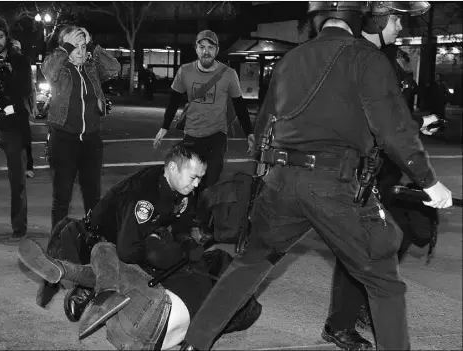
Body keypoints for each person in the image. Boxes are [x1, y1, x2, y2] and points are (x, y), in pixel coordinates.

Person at [179, 2, 453, 351]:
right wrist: (429, 181)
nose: (398, 24)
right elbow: (393, 130)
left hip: (280, 182)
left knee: (249, 264)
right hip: (331, 184)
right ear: (363, 17)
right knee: (385, 282)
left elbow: (264, 127)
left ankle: (194, 344)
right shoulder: (366, 58)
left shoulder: (289, 60)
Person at [18, 145, 261, 349]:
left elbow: (181, 228)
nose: (197, 184)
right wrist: (156, 250)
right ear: (173, 168)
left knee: (143, 262)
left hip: (125, 242)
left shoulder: (183, 190)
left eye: (200, 178)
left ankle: (85, 282)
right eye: (193, 177)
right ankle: (83, 284)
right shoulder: (144, 196)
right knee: (108, 255)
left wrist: (186, 244)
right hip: (94, 240)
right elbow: (127, 250)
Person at [322, 3, 442, 349]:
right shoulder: (358, 57)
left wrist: (416, 124)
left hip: (383, 169)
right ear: (377, 20)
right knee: (359, 246)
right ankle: (338, 323)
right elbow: (368, 118)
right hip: (354, 170)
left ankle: (360, 303)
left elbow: (391, 114)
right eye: (397, 18)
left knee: (397, 235)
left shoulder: (382, 57)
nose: (402, 26)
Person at [153, 29, 255, 190]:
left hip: (217, 136)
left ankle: (204, 213)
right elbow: (174, 100)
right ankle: (192, 211)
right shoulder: (184, 71)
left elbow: (239, 105)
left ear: (217, 50)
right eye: (202, 47)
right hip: (191, 135)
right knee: (190, 182)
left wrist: (249, 132)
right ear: (196, 49)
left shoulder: (229, 74)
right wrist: (164, 127)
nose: (206, 51)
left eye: (210, 47)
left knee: (210, 182)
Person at [41, 25, 120, 230]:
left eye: (83, 46)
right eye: (75, 46)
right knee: (62, 197)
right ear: (65, 48)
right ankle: (57, 241)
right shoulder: (60, 70)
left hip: (91, 141)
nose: (81, 51)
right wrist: (67, 47)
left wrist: (92, 45)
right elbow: (48, 71)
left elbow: (114, 68)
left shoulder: (91, 68)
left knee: (93, 196)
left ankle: (92, 239)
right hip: (64, 139)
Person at [0, 16, 32, 239]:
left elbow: (25, 90)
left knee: (18, 180)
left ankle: (19, 227)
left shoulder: (19, 60)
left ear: (7, 38)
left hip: (13, 127)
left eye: (0, 37)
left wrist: (9, 72)